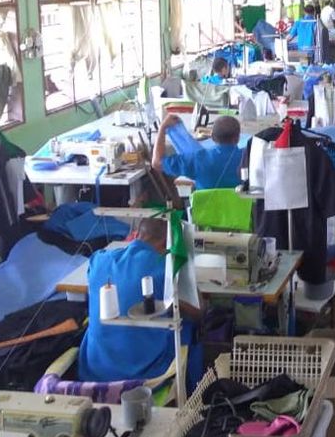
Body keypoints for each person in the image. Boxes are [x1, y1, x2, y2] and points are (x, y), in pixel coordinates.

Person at [79, 217, 197, 381]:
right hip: (144, 377)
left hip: (93, 372)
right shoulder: (165, 268)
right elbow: (198, 310)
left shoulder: (98, 259)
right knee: (191, 328)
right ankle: (193, 394)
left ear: (135, 235)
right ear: (167, 242)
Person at [153, 114, 242, 190]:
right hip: (241, 210)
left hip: (206, 210)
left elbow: (157, 162)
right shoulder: (248, 157)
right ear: (237, 138)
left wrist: (162, 128)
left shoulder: (198, 159)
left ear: (213, 137)